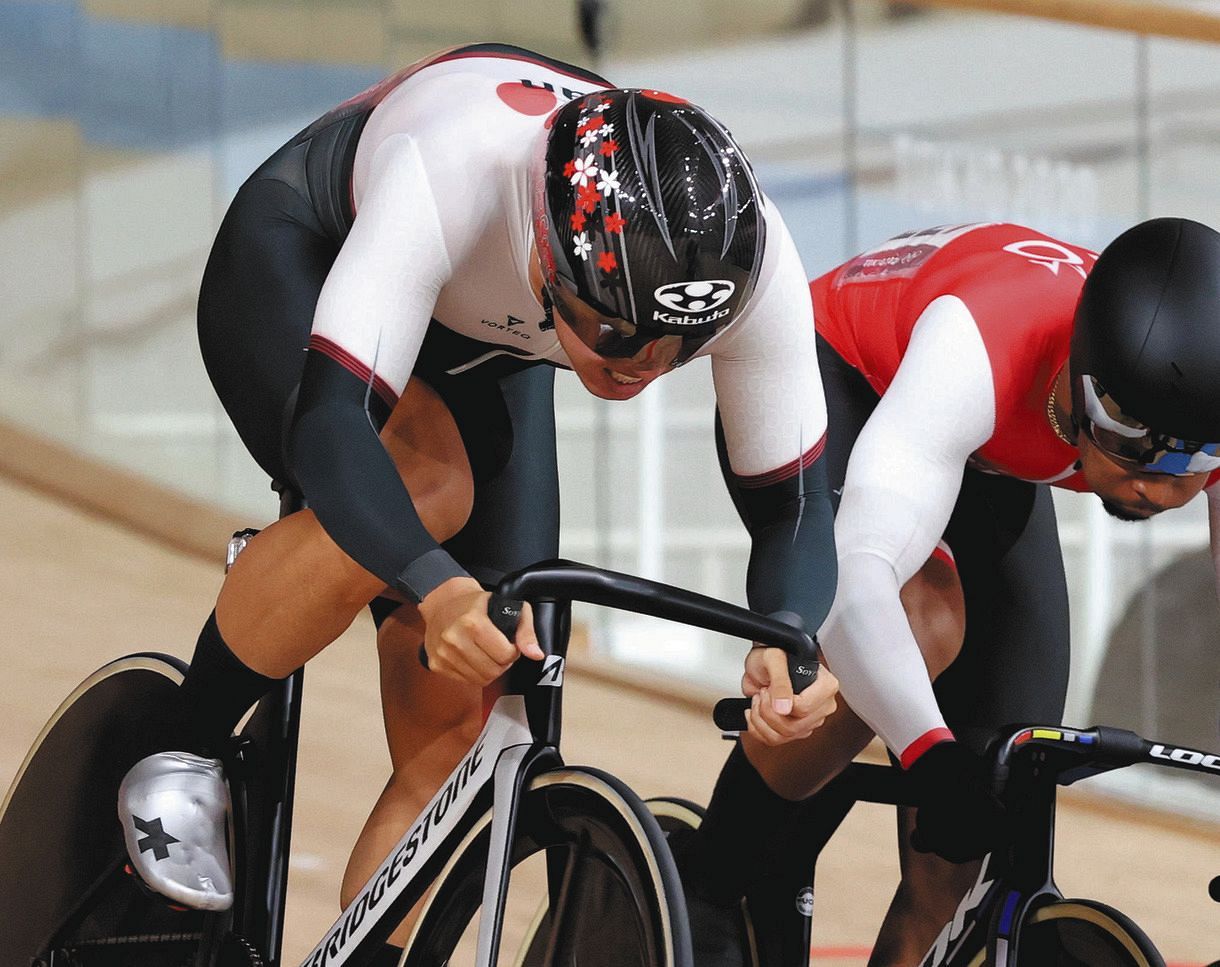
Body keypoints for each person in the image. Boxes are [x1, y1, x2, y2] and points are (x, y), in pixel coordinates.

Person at [114, 43, 841, 963]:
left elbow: (798, 509)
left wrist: (788, 631)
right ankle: (179, 746)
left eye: (676, 347)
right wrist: (431, 582)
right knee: (430, 491)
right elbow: (334, 426)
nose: (639, 368)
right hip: (308, 256)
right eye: (615, 332)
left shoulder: (746, 258)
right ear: (546, 254)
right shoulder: (451, 163)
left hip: (488, 337)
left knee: (476, 726)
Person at [681, 218, 1220, 965]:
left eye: (1194, 471)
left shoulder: (1201, 397)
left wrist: (960, 780)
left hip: (988, 452)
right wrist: (927, 753)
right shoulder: (979, 345)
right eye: (1135, 455)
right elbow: (858, 570)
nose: (1160, 491)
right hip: (844, 376)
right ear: (1082, 382)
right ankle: (715, 881)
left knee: (1003, 778)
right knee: (923, 614)